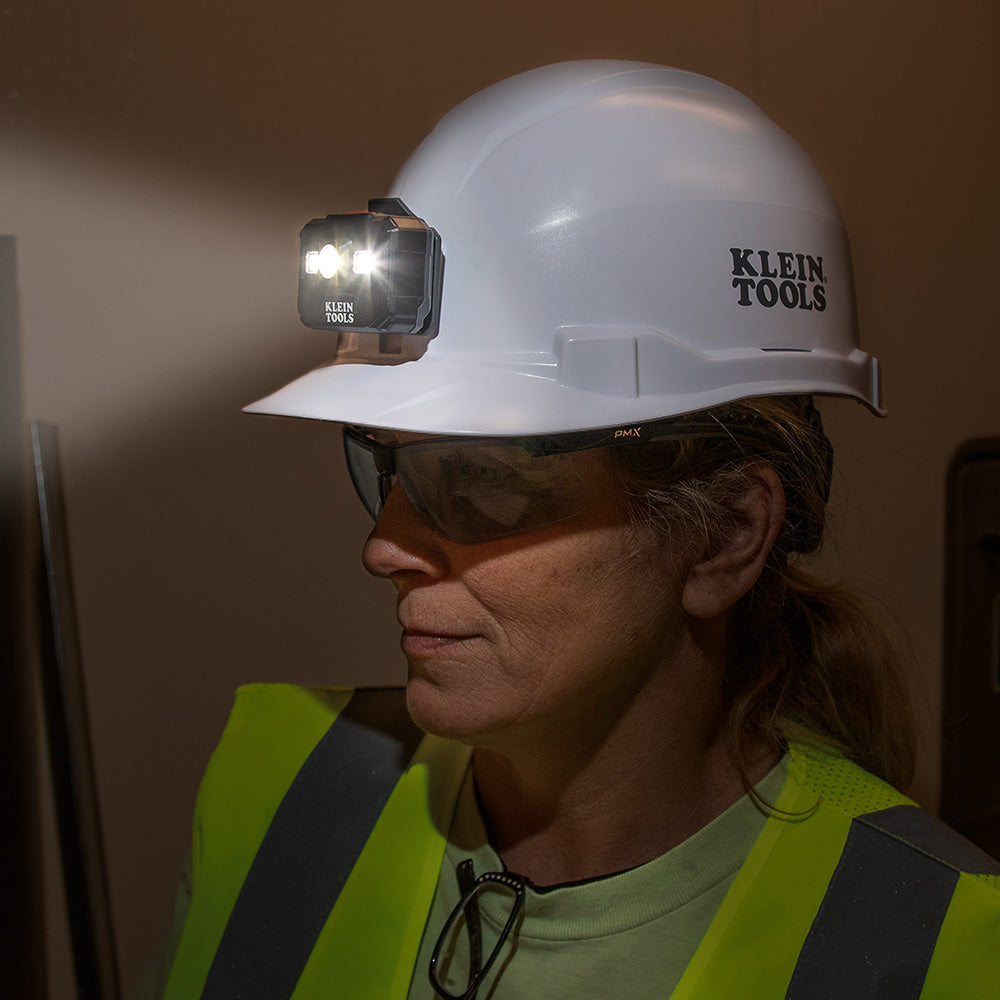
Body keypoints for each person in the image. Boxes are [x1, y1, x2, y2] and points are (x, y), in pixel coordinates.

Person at [153, 61, 1000, 999]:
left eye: (482, 482)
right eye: (385, 465)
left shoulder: (944, 948)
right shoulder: (281, 783)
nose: (384, 548)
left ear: (725, 535)